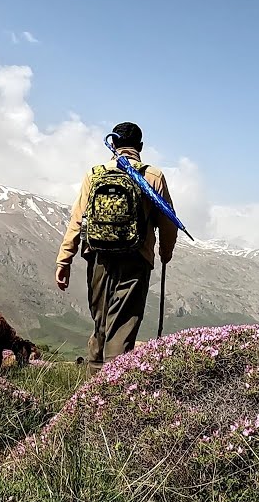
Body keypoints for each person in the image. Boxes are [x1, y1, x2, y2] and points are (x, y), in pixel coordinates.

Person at [55, 122, 177, 368]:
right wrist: (165, 252)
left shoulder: (95, 173)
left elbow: (77, 220)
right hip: (136, 259)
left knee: (100, 322)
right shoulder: (152, 176)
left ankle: (94, 386)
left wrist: (64, 260)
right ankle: (112, 392)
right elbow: (168, 222)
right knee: (122, 326)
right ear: (140, 147)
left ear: (113, 144)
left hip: (99, 257)